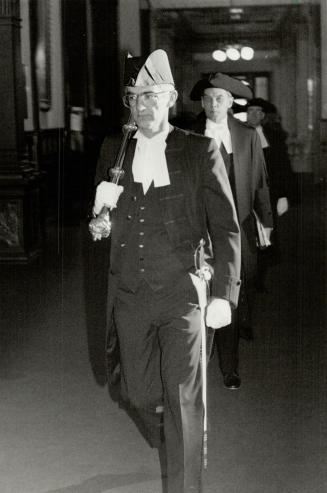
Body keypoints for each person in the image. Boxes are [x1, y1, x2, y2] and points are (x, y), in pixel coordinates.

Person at [89, 51, 241, 493]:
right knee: (136, 394)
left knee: (183, 400)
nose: (142, 105)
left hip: (182, 294)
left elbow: (227, 226)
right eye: (133, 96)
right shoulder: (113, 149)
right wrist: (99, 218)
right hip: (130, 294)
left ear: (171, 98)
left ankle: (184, 477)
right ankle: (177, 437)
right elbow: (104, 214)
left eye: (151, 95)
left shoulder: (199, 150)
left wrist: (224, 294)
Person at [189, 73, 273, 390]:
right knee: (196, 300)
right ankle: (194, 364)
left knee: (230, 299)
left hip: (238, 231)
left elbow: (261, 182)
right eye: (208, 98)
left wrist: (266, 223)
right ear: (201, 101)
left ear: (231, 102)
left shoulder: (247, 135)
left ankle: (230, 366)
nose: (213, 104)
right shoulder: (186, 135)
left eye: (220, 98)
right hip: (199, 233)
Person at [246, 98, 295, 290]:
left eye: (259, 112)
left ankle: (259, 278)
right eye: (251, 111)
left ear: (264, 115)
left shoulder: (273, 137)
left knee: (266, 236)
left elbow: (282, 167)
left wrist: (283, 196)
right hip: (244, 193)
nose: (255, 115)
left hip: (268, 194)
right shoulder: (236, 134)